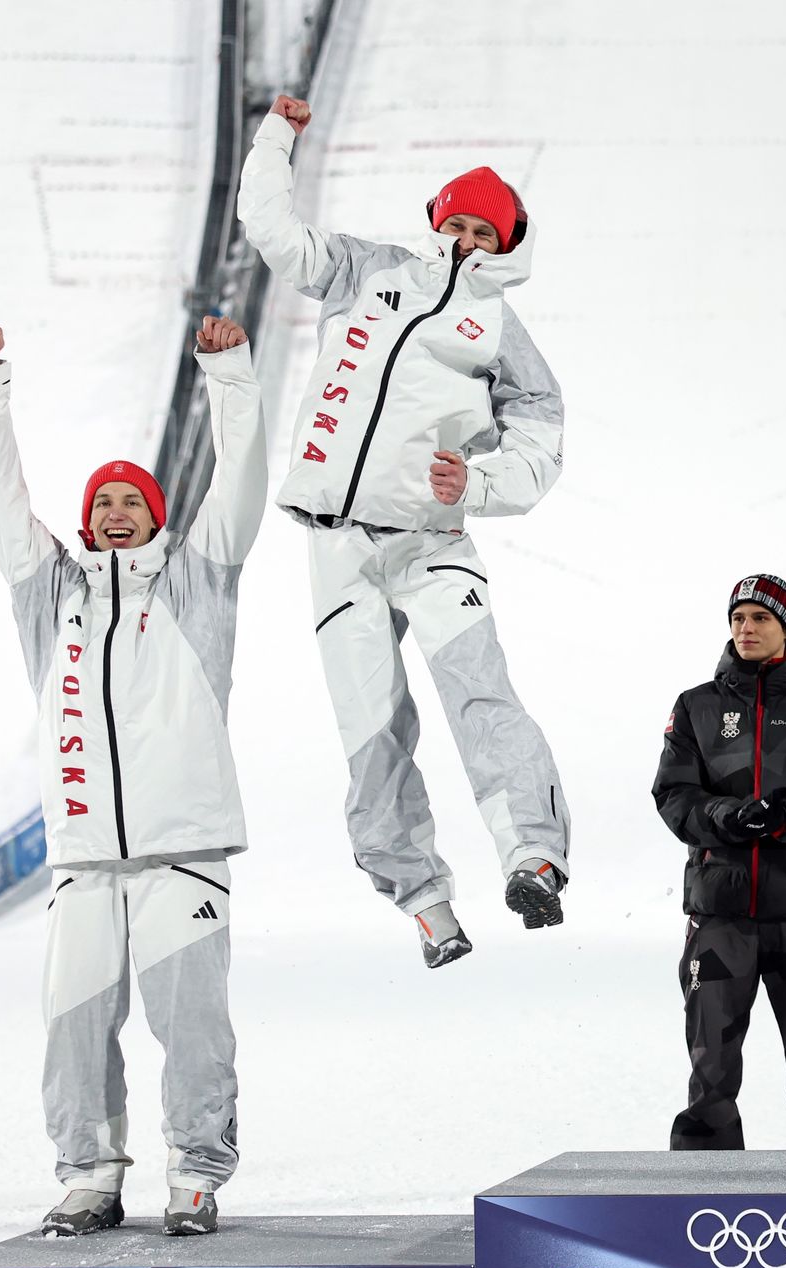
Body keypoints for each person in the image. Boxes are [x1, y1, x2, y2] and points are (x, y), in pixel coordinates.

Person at [237, 92, 570, 966]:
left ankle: (532, 855)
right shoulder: (362, 269)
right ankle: (424, 901)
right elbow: (271, 231)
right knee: (371, 731)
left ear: (507, 244)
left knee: (481, 696)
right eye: (457, 222)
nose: (467, 240)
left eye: (485, 233)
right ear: (435, 220)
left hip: (431, 543)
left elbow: (541, 437)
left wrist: (480, 483)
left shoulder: (500, 328)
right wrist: (279, 135)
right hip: (337, 545)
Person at [0, 315, 267, 1238]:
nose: (116, 511)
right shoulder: (50, 594)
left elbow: (240, 477)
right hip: (85, 858)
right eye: (104, 503)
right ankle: (90, 1176)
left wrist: (230, 372)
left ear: (158, 516)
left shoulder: (197, 580)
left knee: (193, 1029)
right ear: (86, 518)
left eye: (133, 501)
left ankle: (196, 1177)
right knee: (73, 1034)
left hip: (183, 852)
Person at [653, 576, 786, 1150]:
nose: (745, 628)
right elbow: (673, 795)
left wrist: (784, 817)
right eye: (738, 618)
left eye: (760, 618)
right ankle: (702, 1204)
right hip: (719, 919)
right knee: (711, 1079)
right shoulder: (697, 706)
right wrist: (727, 815)